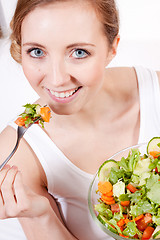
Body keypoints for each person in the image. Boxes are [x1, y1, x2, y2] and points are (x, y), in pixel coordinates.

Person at [0, 0, 160, 239]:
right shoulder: (17, 151)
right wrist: (39, 216)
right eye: (37, 52)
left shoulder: (155, 91)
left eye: (79, 52)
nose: (56, 80)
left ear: (112, 48)